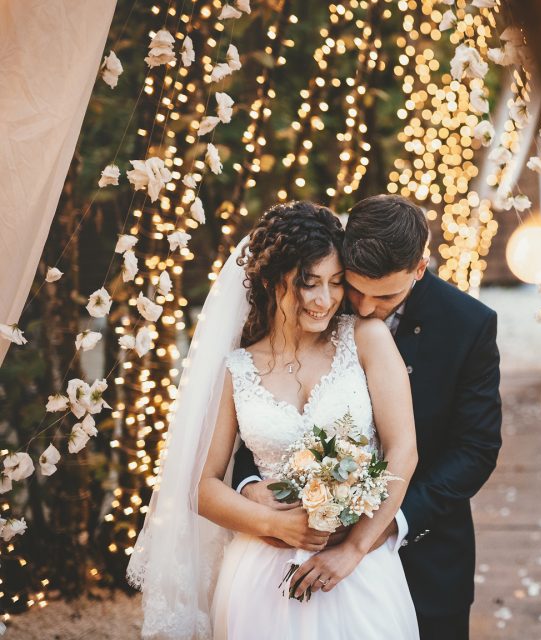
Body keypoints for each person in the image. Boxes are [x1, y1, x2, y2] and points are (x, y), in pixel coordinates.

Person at [128, 201, 419, 638]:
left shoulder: (366, 339)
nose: (325, 300)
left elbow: (403, 451)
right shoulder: (236, 369)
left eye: (336, 283)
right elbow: (201, 487)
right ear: (272, 281)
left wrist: (354, 550)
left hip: (358, 573)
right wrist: (275, 524)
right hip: (260, 577)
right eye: (309, 284)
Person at [232, 194, 503, 639]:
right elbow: (264, 410)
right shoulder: (320, 298)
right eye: (354, 288)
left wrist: (377, 532)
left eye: (385, 296)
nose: (361, 307)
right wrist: (253, 486)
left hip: (427, 552)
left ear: (419, 268)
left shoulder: (468, 324)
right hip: (299, 551)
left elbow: (475, 450)